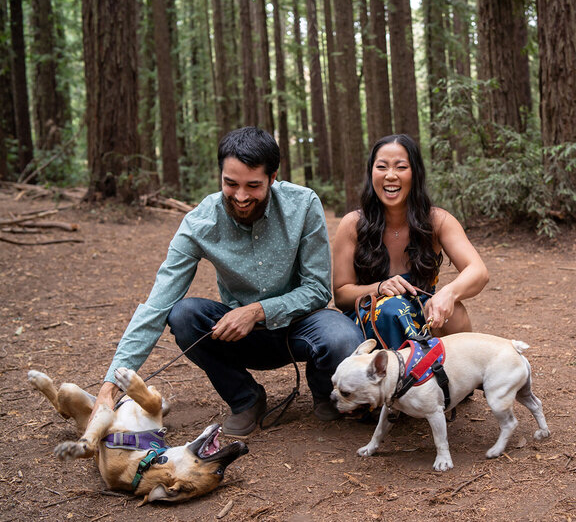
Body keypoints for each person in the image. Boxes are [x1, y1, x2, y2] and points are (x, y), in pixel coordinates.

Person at [90, 126, 363, 438]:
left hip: (300, 327)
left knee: (342, 336)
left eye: (253, 185)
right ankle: (246, 398)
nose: (241, 196)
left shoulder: (303, 205)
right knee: (184, 315)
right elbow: (156, 306)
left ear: (273, 178)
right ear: (220, 176)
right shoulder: (199, 223)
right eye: (230, 184)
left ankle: (324, 391)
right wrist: (108, 390)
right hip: (239, 337)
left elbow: (316, 289)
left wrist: (258, 310)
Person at [332, 134, 488, 349]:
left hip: (421, 312)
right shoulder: (353, 224)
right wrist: (379, 287)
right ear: (371, 173)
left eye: (401, 167)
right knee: (391, 309)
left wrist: (448, 294)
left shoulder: (438, 221)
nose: (390, 175)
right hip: (369, 317)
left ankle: (455, 379)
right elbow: (341, 294)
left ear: (415, 173)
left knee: (456, 311)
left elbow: (478, 271)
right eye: (382, 167)